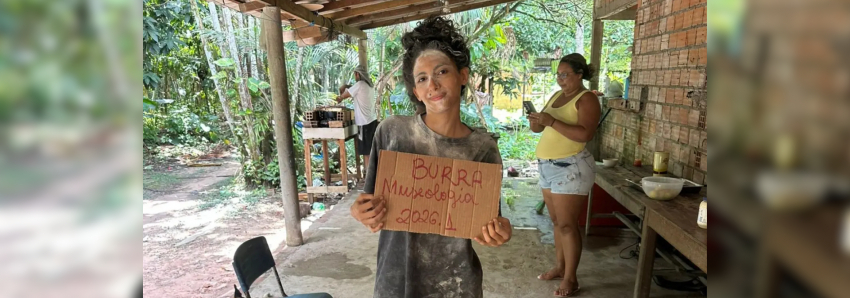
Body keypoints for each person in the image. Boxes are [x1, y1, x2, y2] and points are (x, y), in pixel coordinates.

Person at [349, 16, 512, 298]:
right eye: (422, 78)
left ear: (463, 75)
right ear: (415, 91)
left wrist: (498, 231)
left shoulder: (483, 148)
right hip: (396, 282)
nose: (432, 85)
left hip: (457, 285)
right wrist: (360, 212)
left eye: (441, 72)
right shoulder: (392, 134)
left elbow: (488, 220)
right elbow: (370, 204)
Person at [527, 53, 601, 297]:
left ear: (580, 75)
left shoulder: (587, 99)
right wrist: (536, 121)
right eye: (558, 74)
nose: (560, 79)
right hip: (548, 167)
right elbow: (540, 128)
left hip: (570, 168)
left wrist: (551, 122)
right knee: (557, 223)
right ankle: (560, 267)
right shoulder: (557, 95)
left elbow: (584, 134)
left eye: (565, 74)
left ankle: (571, 278)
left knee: (568, 225)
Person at [337, 67, 379, 169]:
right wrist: (347, 87)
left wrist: (339, 97)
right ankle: (371, 174)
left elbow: (344, 96)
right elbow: (354, 90)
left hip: (364, 123)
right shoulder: (369, 86)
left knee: (366, 152)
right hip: (372, 121)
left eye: (355, 74)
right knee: (371, 150)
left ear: (357, 74)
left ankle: (368, 176)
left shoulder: (359, 85)